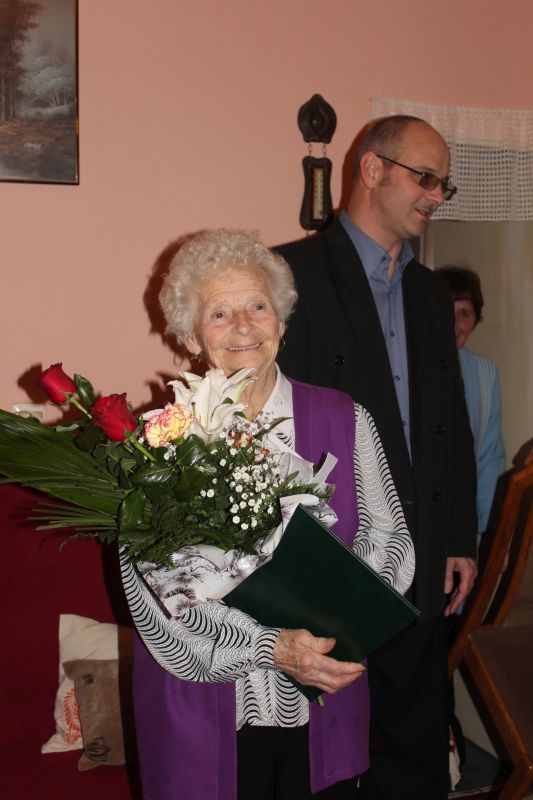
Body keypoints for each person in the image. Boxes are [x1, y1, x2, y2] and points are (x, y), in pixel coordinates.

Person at [120, 229, 415, 800]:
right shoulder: (160, 441)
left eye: (258, 306)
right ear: (190, 336)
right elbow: (150, 593)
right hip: (203, 705)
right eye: (219, 314)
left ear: (281, 319)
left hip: (323, 688)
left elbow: (390, 539)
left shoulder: (346, 418)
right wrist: (269, 647)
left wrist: (336, 629)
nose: (243, 327)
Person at [276, 115, 478, 800]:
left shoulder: (429, 293)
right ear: (371, 170)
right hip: (331, 559)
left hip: (422, 562)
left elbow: (449, 425)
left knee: (413, 753)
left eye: (442, 184)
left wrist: (458, 538)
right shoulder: (288, 275)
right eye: (426, 178)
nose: (436, 196)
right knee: (327, 761)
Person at [435, 265, 505, 535]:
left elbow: (489, 459)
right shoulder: (407, 367)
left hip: (461, 520)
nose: (454, 323)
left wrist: (490, 533)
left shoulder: (485, 373)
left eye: (464, 313)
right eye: (446, 310)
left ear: (475, 321)